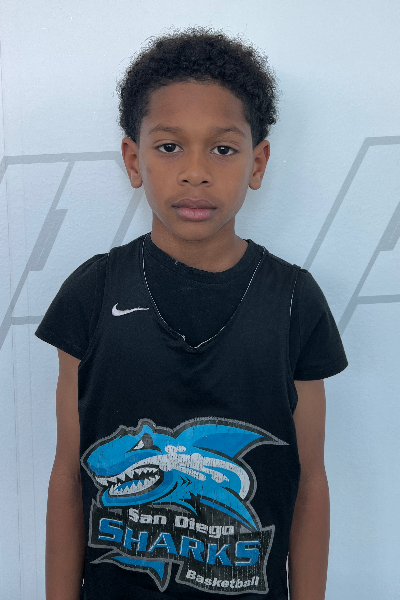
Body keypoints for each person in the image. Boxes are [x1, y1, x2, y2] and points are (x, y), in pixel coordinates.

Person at [35, 26, 348, 600]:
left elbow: (310, 484)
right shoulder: (92, 293)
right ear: (134, 160)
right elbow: (67, 476)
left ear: (258, 163)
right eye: (169, 147)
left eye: (223, 149)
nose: (195, 171)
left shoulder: (295, 301)